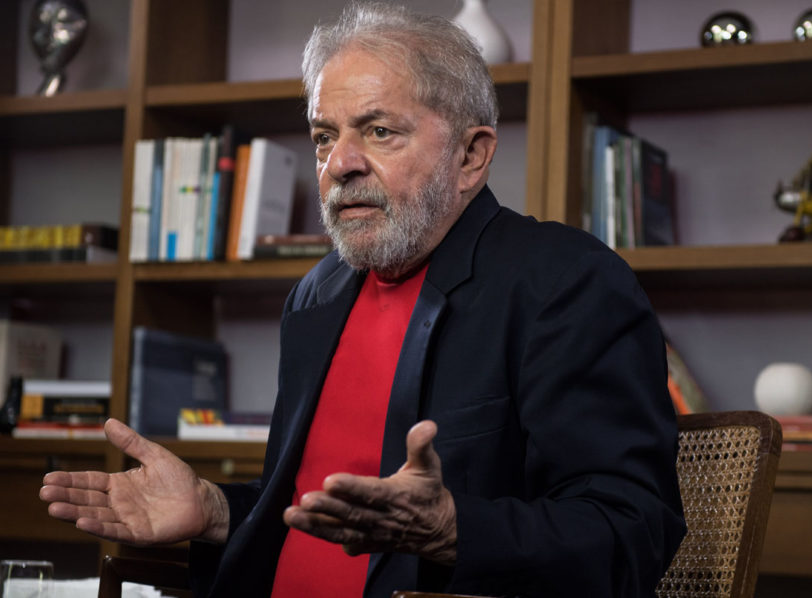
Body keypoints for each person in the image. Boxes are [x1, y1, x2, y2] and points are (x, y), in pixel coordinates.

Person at [39, 3, 685, 597]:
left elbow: (633, 531)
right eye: (324, 136)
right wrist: (213, 510)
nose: (339, 163)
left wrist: (451, 529)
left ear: (470, 156)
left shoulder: (566, 281)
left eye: (378, 131)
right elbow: (309, 511)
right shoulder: (315, 295)